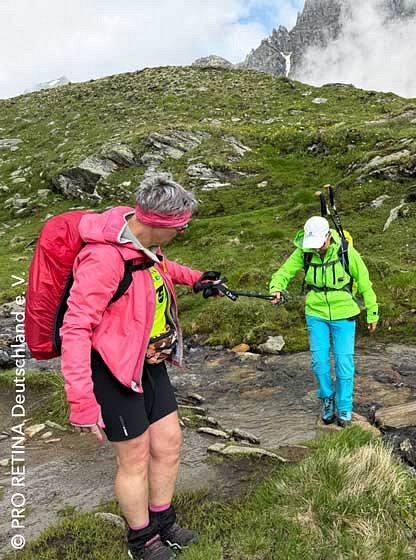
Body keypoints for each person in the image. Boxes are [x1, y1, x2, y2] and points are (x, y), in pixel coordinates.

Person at [60, 174, 223, 560]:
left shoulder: (142, 243)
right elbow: (76, 328)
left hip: (149, 363)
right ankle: (142, 540)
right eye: (181, 226)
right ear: (160, 223)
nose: (183, 231)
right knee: (134, 459)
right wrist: (81, 402)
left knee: (168, 445)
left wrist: (197, 279)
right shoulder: (103, 259)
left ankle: (164, 523)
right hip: (112, 372)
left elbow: (161, 266)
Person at [269, 216, 379, 427]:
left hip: (344, 312)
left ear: (328, 236)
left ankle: (345, 408)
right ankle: (327, 399)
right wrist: (276, 288)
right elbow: (284, 272)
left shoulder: (345, 251)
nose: (317, 249)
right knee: (319, 362)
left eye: (320, 244)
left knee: (343, 363)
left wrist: (372, 312)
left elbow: (364, 280)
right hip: (315, 312)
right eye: (314, 245)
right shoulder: (304, 250)